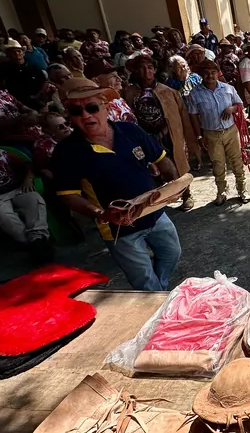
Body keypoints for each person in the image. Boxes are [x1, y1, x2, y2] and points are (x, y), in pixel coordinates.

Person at [53, 79, 182, 290]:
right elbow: (68, 195)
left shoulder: (130, 130)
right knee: (145, 281)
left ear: (106, 106)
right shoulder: (67, 152)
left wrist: (175, 185)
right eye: (76, 111)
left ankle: (160, 293)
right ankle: (158, 299)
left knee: (171, 253)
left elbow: (162, 159)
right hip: (119, 228)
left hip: (155, 213)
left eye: (92, 107)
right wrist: (101, 213)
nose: (85, 115)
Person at [123, 53, 196, 209]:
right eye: (142, 68)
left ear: (155, 70)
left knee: (177, 163)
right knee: (150, 167)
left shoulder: (168, 91)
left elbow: (180, 116)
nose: (146, 71)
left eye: (150, 67)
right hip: (144, 137)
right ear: (136, 71)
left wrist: (189, 138)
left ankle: (186, 194)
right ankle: (158, 200)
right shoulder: (129, 93)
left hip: (168, 135)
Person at [188, 60, 250, 204]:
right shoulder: (195, 93)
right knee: (218, 164)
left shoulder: (228, 88)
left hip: (231, 131)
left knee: (237, 161)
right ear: (201, 75)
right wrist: (199, 136)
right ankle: (221, 191)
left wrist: (231, 109)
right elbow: (193, 115)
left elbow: (240, 104)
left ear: (217, 73)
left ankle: (242, 189)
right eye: (206, 73)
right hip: (211, 134)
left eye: (213, 72)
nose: (210, 76)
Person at [0, 144, 51, 259]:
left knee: (34, 199)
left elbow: (28, 164)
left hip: (16, 189)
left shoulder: (0, 153)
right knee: (0, 214)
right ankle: (31, 243)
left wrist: (29, 178)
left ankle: (39, 238)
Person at [0, 39, 48, 111]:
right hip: (19, 105)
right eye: (13, 52)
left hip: (39, 101)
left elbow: (44, 83)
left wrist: (37, 96)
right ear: (8, 54)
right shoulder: (5, 69)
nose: (17, 53)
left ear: (23, 53)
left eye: (19, 51)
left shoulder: (33, 67)